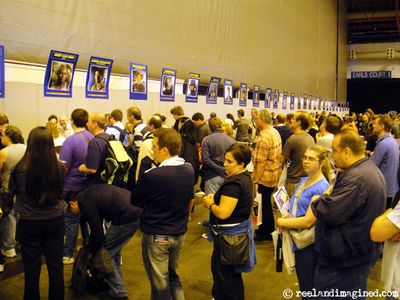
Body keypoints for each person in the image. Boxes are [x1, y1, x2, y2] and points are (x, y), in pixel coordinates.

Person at [311, 130, 386, 297]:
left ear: (347, 151)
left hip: (345, 259)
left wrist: (318, 199)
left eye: (334, 150)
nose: (332, 155)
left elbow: (328, 211)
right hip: (358, 252)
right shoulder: (369, 169)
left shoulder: (356, 178)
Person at [132, 128, 195, 300]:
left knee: (160, 283)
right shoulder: (189, 170)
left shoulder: (153, 175)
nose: (152, 150)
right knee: (173, 277)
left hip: (157, 235)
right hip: (179, 233)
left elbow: (136, 200)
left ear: (164, 150)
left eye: (154, 146)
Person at [9, 126, 66, 300]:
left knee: (31, 269)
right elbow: (61, 192)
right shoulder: (60, 168)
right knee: (56, 267)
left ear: (29, 143)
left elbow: (11, 192)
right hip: (55, 220)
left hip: (29, 222)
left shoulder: (19, 168)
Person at [202, 143, 256, 300]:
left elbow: (223, 213)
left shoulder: (234, 184)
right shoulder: (245, 177)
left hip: (229, 240)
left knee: (228, 278)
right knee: (222, 274)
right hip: (232, 237)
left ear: (242, 164)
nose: (224, 164)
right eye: (225, 160)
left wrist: (210, 204)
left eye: (229, 161)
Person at [69, 184, 142, 299]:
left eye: (70, 210)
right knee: (113, 253)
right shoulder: (87, 194)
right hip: (135, 210)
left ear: (72, 203)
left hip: (127, 217)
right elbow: (96, 227)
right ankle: (115, 287)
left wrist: (92, 252)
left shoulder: (85, 203)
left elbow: (98, 235)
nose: (73, 213)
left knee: (104, 256)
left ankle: (120, 293)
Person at [276, 146, 332, 295]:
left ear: (321, 163)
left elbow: (308, 220)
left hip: (308, 245)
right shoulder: (305, 179)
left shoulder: (321, 187)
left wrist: (282, 223)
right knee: (304, 282)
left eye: (311, 159)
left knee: (308, 286)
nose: (306, 161)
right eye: (305, 157)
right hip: (297, 240)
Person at [59, 109, 93, 264]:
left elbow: (63, 167)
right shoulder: (93, 138)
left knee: (71, 220)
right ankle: (87, 247)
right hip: (89, 187)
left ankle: (67, 254)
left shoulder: (70, 141)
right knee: (85, 219)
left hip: (73, 187)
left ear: (72, 122)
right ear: (86, 122)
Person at [252, 109, 282, 241]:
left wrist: (255, 180)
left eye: (256, 118)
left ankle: (266, 232)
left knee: (264, 205)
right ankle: (268, 229)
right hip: (274, 173)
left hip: (265, 175)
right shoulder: (275, 132)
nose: (255, 120)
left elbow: (260, 163)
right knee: (267, 203)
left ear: (262, 120)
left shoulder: (263, 137)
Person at [0, 126, 26, 264]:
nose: (1, 137)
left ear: (8, 137)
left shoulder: (4, 152)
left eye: (2, 135)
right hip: (23, 189)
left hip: (7, 189)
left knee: (9, 218)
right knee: (21, 216)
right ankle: (21, 243)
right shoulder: (26, 148)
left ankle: (9, 247)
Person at [282, 112, 315, 198]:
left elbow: (282, 159)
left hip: (293, 181)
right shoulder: (310, 138)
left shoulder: (292, 139)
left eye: (294, 118)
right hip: (306, 179)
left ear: (299, 122)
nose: (291, 120)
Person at [371, 114, 399, 208]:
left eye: (375, 123)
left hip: (384, 189)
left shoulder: (383, 144)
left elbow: (371, 167)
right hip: (392, 188)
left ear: (381, 126)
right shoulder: (392, 142)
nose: (373, 125)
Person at [202, 118, 235, 194]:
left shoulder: (206, 140)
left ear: (210, 127)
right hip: (228, 174)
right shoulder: (232, 140)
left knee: (211, 202)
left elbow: (206, 159)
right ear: (221, 125)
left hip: (212, 175)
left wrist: (219, 169)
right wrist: (224, 169)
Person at [79, 113, 110, 185]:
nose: (87, 124)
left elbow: (92, 169)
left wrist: (82, 168)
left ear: (95, 124)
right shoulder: (109, 138)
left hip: (97, 185)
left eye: (89, 121)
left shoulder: (94, 143)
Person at [135, 115, 163, 182]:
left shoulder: (147, 142)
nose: (146, 126)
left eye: (147, 124)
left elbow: (141, 165)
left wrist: (137, 181)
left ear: (152, 126)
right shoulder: (165, 140)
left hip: (148, 181)